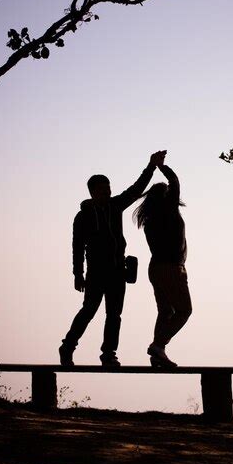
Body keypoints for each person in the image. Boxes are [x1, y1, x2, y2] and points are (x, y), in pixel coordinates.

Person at [59, 151, 165, 368]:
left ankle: (108, 354)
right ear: (92, 192)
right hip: (96, 272)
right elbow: (77, 246)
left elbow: (136, 190)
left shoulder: (116, 206)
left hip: (118, 271)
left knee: (114, 315)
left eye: (108, 187)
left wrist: (151, 166)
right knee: (88, 311)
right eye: (102, 188)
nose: (107, 191)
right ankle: (67, 347)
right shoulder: (83, 216)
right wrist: (77, 274)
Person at [134, 153, 192, 367]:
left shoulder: (150, 218)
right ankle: (158, 345)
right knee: (184, 311)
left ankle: (158, 355)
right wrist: (162, 167)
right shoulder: (168, 210)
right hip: (170, 268)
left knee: (166, 311)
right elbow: (175, 182)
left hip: (156, 268)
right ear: (165, 197)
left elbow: (173, 185)